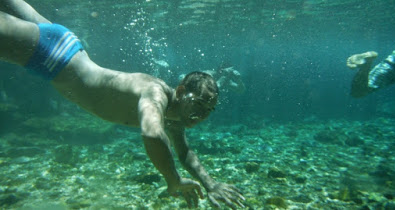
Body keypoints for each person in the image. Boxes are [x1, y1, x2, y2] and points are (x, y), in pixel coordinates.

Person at [0, 0, 245, 208]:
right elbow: (151, 133)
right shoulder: (156, 93)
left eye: (208, 110)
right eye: (198, 105)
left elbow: (184, 152)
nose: (201, 115)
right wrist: (173, 180)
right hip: (53, 56)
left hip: (64, 49)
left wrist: (211, 184)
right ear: (180, 91)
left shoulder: (176, 116)